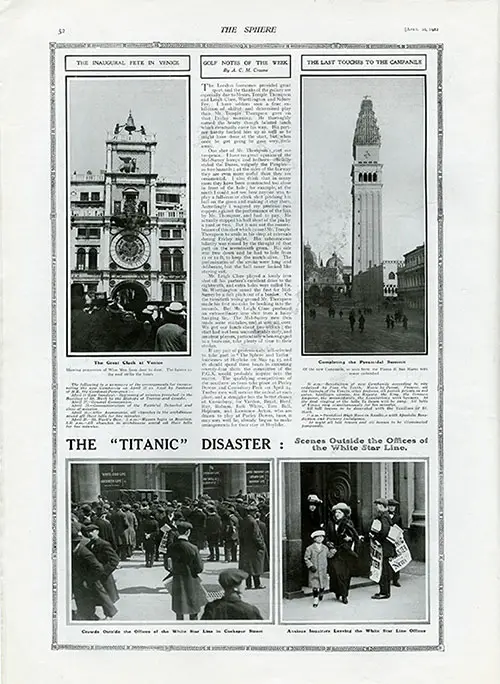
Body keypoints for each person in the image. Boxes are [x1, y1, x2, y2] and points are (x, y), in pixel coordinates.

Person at [165, 521, 208, 620]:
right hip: (191, 580)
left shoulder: (171, 547)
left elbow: (167, 565)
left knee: (179, 609)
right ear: (188, 532)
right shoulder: (193, 548)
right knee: (193, 608)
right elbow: (199, 568)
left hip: (177, 580)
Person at [326, 503, 359, 604]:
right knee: (335, 573)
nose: (337, 514)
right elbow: (327, 536)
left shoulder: (348, 523)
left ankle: (344, 595)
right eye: (336, 512)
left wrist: (349, 539)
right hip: (334, 552)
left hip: (345, 553)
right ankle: (337, 592)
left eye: (339, 512)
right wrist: (329, 544)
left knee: (344, 574)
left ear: (344, 513)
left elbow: (355, 536)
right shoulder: (330, 523)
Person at [85, 524, 120, 618]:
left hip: (104, 575)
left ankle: (109, 615)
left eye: (91, 531)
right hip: (93, 575)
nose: (89, 534)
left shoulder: (104, 544)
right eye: (88, 532)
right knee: (97, 596)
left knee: (106, 596)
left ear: (97, 531)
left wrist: (104, 572)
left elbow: (115, 560)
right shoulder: (89, 545)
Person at [370, 498, 395, 599]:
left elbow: (384, 531)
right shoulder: (385, 516)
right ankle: (384, 591)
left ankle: (384, 592)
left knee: (383, 571)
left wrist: (375, 537)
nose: (377, 507)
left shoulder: (384, 517)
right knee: (384, 570)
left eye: (379, 505)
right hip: (386, 548)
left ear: (383, 506)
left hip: (384, 548)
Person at [238, 506, 266, 590]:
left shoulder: (243, 521)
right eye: (255, 511)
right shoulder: (253, 522)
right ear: (252, 512)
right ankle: (257, 584)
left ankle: (248, 585)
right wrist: (262, 545)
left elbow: (241, 535)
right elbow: (256, 535)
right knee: (256, 566)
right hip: (254, 547)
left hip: (246, 547)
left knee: (248, 567)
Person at [304, 530, 330, 607]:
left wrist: (333, 550)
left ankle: (321, 592)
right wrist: (310, 565)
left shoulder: (325, 548)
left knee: (322, 584)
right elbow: (306, 558)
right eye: (317, 537)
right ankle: (315, 598)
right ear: (314, 539)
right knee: (315, 585)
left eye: (321, 537)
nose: (320, 539)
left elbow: (329, 556)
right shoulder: (310, 548)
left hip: (323, 568)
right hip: (314, 569)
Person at [388, 499, 403, 587]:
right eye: (390, 506)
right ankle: (388, 578)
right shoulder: (385, 516)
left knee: (396, 559)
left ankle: (395, 579)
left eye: (393, 506)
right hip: (387, 540)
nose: (391, 508)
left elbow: (401, 528)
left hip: (395, 540)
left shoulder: (398, 517)